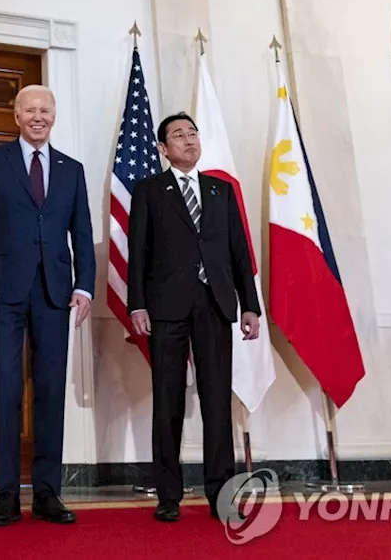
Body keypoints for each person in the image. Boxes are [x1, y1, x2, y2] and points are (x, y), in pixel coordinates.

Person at [0, 85, 95, 527]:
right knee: (5, 389)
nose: (38, 116)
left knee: (51, 391)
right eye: (30, 110)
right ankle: (5, 495)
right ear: (15, 115)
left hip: (56, 294)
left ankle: (47, 493)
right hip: (4, 290)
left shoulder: (71, 169)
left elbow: (82, 232)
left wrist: (86, 286)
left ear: (54, 116)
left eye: (45, 110)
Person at [126, 112, 260, 523]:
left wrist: (250, 305)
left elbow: (239, 251)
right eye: (178, 136)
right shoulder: (149, 190)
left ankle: (221, 492)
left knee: (217, 402)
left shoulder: (221, 190)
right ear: (163, 149)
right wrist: (137, 304)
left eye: (193, 133)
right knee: (168, 400)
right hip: (166, 307)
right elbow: (139, 253)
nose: (189, 140)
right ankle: (168, 494)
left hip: (215, 304)